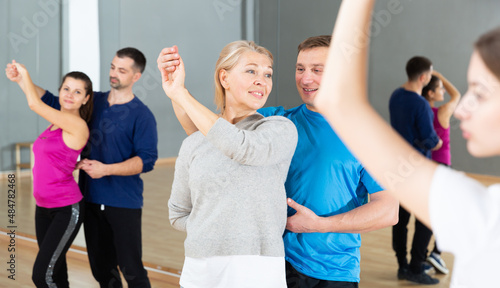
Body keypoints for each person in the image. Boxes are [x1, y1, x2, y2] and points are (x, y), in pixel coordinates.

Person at [160, 36, 399, 287]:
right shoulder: (274, 120)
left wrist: (319, 225)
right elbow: (208, 137)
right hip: (270, 259)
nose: (306, 79)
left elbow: (388, 211)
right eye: (300, 69)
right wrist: (175, 90)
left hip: (328, 270)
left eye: (317, 70)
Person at [315, 0, 500, 287]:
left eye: (480, 92)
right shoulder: (487, 212)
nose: (462, 110)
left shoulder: (487, 216)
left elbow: (339, 101)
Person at [7, 48, 158, 288]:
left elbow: (147, 160)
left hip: (123, 203)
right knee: (102, 270)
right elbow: (50, 101)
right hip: (89, 199)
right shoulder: (94, 101)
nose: (114, 74)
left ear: (136, 76)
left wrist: (106, 169)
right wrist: (23, 82)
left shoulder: (142, 115)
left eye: (122, 70)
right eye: (112, 67)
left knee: (131, 270)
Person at [157, 41, 297, 287]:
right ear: (224, 78)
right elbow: (178, 213)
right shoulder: (194, 144)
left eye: (268, 74)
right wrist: (211, 231)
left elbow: (242, 147)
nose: (261, 81)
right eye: (251, 71)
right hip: (200, 268)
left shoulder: (279, 129)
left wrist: (180, 93)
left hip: (259, 268)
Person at [5, 61, 92, 287]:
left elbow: (35, 104)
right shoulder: (54, 124)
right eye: (66, 89)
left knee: (42, 275)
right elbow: (38, 100)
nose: (70, 95)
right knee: (57, 272)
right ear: (60, 91)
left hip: (66, 209)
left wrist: (25, 74)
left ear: (86, 99)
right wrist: (20, 81)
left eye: (78, 91)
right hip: (43, 208)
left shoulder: (77, 125)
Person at [389, 56, 443, 285]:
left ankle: (402, 265)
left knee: (400, 221)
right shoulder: (420, 104)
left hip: (398, 167)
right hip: (417, 170)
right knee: (426, 220)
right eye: (430, 76)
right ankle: (415, 267)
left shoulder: (396, 96)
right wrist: (438, 142)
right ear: (423, 77)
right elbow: (429, 139)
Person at [421, 71, 461, 275]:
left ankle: (424, 256)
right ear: (430, 93)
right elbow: (457, 95)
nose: (443, 91)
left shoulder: (419, 115)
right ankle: (435, 254)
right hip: (442, 169)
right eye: (439, 88)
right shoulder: (442, 112)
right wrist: (438, 74)